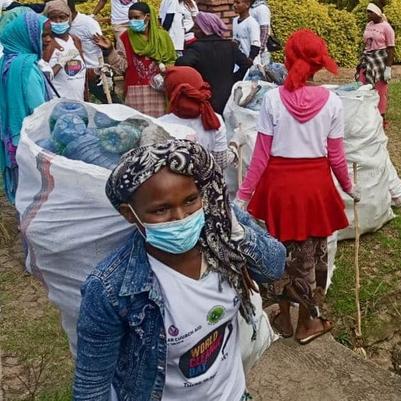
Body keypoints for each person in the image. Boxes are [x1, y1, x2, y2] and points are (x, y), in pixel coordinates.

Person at [72, 139, 286, 401]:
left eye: (190, 200)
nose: (181, 217)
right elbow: (91, 386)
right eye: (161, 210)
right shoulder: (110, 289)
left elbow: (274, 266)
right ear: (130, 214)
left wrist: (234, 230)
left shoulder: (219, 233)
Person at [237, 29, 357, 345]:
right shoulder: (332, 101)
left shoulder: (273, 99)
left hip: (278, 190)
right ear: (318, 66)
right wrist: (348, 186)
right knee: (308, 256)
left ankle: (285, 321)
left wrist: (243, 194)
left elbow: (262, 155)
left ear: (288, 60)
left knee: (280, 254)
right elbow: (336, 155)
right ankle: (307, 323)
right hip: (315, 190)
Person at [0, 10, 51, 204]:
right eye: (42, 35)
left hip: (12, 140)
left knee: (24, 192)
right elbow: (40, 111)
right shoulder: (26, 68)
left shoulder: (6, 61)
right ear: (27, 36)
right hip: (31, 141)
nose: (47, 40)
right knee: (37, 195)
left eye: (49, 35)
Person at [94, 2, 177, 117]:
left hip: (160, 91)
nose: (132, 21)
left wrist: (165, 70)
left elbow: (172, 61)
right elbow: (121, 67)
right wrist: (110, 50)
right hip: (135, 93)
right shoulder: (125, 37)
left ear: (147, 16)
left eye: (136, 17)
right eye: (130, 18)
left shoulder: (163, 37)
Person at [158, 67, 236, 170]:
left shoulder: (159, 124)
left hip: (170, 185)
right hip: (205, 184)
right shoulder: (214, 120)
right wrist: (234, 148)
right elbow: (220, 162)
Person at [177, 12, 249, 114]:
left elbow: (181, 64)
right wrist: (233, 78)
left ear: (204, 29)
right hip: (228, 97)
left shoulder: (197, 48)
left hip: (206, 97)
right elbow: (247, 65)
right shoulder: (230, 46)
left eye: (196, 28)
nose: (194, 31)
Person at [66, 0, 120, 103]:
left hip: (93, 73)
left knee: (111, 103)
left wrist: (104, 72)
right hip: (73, 72)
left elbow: (103, 46)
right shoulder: (54, 25)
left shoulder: (87, 23)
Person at [357, 3, 395, 127]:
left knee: (380, 89)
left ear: (377, 13)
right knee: (363, 84)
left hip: (380, 58)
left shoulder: (386, 27)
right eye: (367, 12)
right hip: (368, 57)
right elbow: (366, 42)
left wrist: (388, 68)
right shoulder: (368, 25)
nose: (367, 14)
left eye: (370, 12)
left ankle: (381, 118)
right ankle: (366, 116)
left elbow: (391, 48)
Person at [44, 0, 87, 101]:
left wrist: (96, 71)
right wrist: (62, 61)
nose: (58, 21)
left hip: (78, 102)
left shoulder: (75, 41)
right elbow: (43, 78)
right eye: (53, 18)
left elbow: (79, 70)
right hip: (56, 106)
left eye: (62, 17)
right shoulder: (46, 44)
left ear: (69, 18)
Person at [232, 0, 261, 80]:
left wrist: (249, 60)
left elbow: (256, 45)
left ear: (247, 5)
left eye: (238, 3)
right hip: (238, 64)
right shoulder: (235, 21)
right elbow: (236, 40)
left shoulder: (252, 23)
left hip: (250, 65)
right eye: (234, 2)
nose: (234, 5)